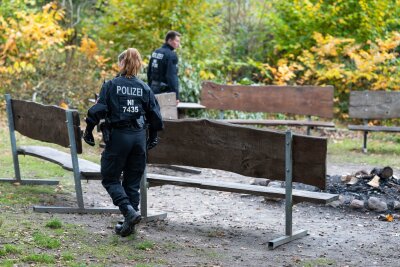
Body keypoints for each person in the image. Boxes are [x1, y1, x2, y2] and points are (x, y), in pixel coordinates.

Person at [83, 48, 163, 237]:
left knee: (110, 177)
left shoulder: (111, 85)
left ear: (121, 63)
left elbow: (98, 109)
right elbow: (155, 116)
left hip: (119, 137)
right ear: (138, 65)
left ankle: (128, 211)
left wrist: (88, 131)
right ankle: (129, 224)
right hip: (138, 138)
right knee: (132, 183)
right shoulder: (144, 87)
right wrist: (152, 138)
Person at [147, 30, 181, 101]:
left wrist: (150, 87)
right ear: (170, 40)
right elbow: (171, 76)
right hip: (164, 91)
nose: (178, 43)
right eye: (177, 41)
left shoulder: (156, 52)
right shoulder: (171, 55)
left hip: (153, 88)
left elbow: (149, 71)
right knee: (165, 111)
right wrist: (176, 95)